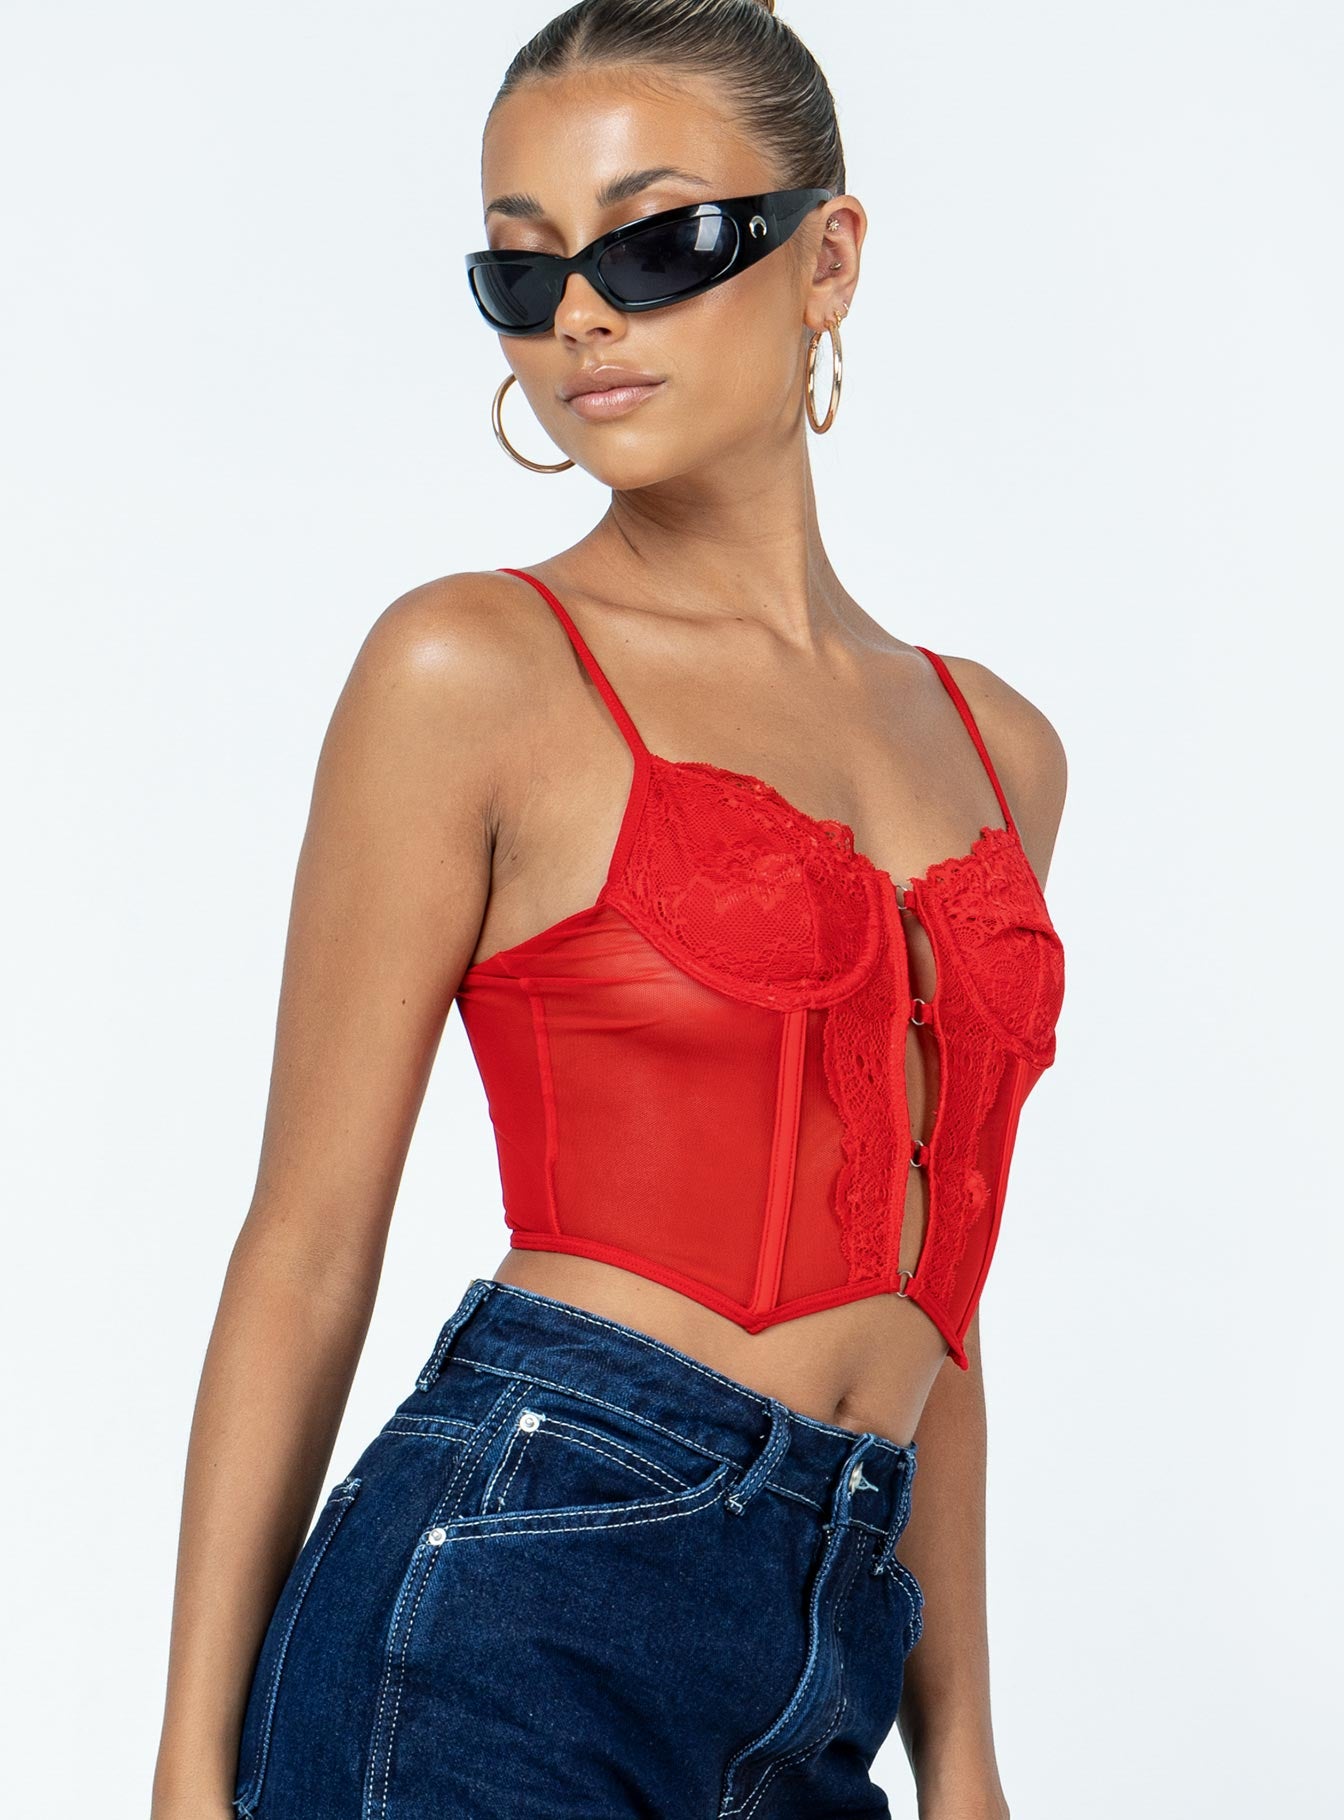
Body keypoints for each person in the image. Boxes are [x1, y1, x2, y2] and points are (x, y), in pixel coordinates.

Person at [152, 3, 1068, 1815]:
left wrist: (962, 1755)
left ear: (829, 259)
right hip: (515, 1582)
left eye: (655, 247)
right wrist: (187, 1773)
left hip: (827, 1638)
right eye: (524, 271)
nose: (582, 314)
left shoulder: (1000, 749)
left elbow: (934, 1283)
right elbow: (307, 1244)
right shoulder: (472, 668)